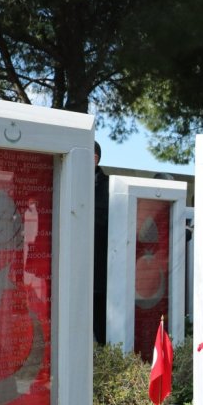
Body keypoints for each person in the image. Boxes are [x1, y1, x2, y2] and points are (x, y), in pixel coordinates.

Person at [93, 141, 110, 345]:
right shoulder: (67, 180)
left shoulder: (111, 188)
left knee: (102, 329)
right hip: (70, 274)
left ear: (94, 159)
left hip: (100, 276)